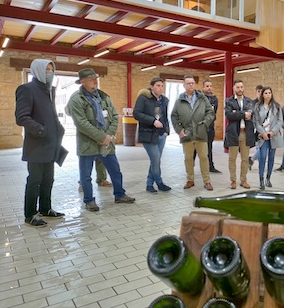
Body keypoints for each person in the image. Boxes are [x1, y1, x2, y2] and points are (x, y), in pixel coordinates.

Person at [66, 68, 135, 211]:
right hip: (87, 144)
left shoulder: (104, 97)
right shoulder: (76, 99)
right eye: (91, 79)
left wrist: (108, 136)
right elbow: (81, 123)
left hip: (106, 144)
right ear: (82, 81)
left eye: (95, 78)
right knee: (86, 176)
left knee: (115, 171)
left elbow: (115, 117)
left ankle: (120, 195)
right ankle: (89, 201)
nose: (95, 81)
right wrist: (101, 137)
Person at [15, 59, 66, 227]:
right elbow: (22, 117)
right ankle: (30, 214)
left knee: (48, 180)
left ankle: (45, 208)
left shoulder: (48, 91)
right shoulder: (27, 89)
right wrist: (41, 130)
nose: (50, 73)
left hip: (51, 145)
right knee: (35, 180)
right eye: (46, 70)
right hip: (37, 145)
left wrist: (59, 129)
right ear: (37, 70)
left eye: (52, 70)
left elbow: (50, 115)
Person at [171, 75, 215, 191]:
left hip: (201, 133)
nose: (191, 85)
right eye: (188, 83)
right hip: (187, 134)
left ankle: (207, 181)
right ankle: (190, 180)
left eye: (192, 83)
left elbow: (211, 113)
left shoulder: (202, 98)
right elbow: (174, 116)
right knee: (188, 158)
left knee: (204, 158)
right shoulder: (179, 101)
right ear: (184, 85)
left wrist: (205, 124)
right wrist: (179, 130)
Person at [133, 77, 171, 193]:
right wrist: (152, 121)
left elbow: (164, 116)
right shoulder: (144, 98)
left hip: (161, 134)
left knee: (157, 160)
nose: (160, 88)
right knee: (155, 159)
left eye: (162, 86)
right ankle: (159, 182)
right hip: (148, 134)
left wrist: (166, 130)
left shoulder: (164, 100)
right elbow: (137, 114)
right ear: (151, 86)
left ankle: (149, 184)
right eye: (158, 85)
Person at [224, 79, 255, 189]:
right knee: (232, 159)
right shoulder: (229, 101)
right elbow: (229, 115)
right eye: (237, 87)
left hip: (245, 134)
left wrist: (236, 113)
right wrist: (243, 114)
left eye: (241, 87)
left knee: (245, 159)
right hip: (233, 133)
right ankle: (233, 181)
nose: (240, 89)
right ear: (234, 88)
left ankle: (243, 180)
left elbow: (251, 114)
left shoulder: (249, 101)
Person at [253, 86, 283, 190]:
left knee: (271, 158)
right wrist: (263, 132)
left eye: (269, 93)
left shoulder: (277, 106)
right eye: (265, 93)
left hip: (273, 135)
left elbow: (280, 121)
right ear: (262, 95)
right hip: (263, 136)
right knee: (262, 157)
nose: (268, 95)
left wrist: (273, 132)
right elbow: (256, 122)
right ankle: (261, 179)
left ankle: (268, 178)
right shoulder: (257, 106)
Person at [202, 79, 221, 173]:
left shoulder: (214, 98)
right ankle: (191, 167)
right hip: (200, 127)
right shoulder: (200, 98)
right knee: (196, 148)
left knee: (209, 147)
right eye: (207, 86)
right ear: (203, 87)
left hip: (210, 126)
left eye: (210, 86)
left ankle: (211, 166)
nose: (209, 88)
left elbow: (214, 113)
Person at [249, 84, 263, 170]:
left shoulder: (266, 103)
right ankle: (252, 160)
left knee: (262, 148)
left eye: (262, 92)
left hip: (264, 128)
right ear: (256, 92)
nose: (260, 94)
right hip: (255, 129)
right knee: (260, 148)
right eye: (258, 92)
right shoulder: (252, 103)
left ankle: (252, 159)